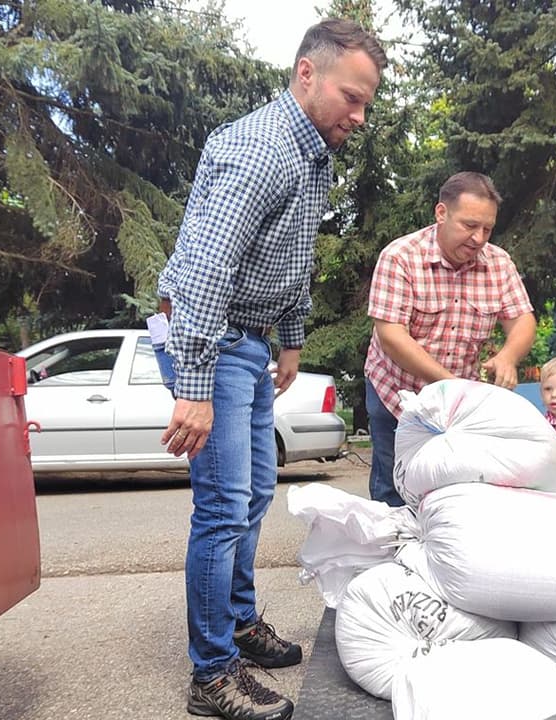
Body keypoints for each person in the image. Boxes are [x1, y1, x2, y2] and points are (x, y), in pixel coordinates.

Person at [153, 18, 385, 720]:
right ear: (307, 75)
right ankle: (212, 675)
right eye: (352, 97)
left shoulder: (310, 155)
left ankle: (240, 622)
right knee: (223, 507)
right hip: (211, 338)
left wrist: (289, 340)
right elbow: (203, 271)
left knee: (253, 495)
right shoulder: (261, 149)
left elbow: (292, 259)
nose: (360, 116)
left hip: (248, 341)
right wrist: (194, 388)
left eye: (368, 103)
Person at [363, 171, 537, 506]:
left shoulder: (499, 263)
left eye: (487, 229)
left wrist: (507, 356)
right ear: (441, 213)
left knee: (454, 488)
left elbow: (522, 320)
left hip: (459, 405)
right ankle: (393, 552)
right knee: (396, 488)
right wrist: (450, 385)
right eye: (469, 225)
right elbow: (392, 336)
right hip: (395, 393)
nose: (478, 238)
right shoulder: (400, 256)